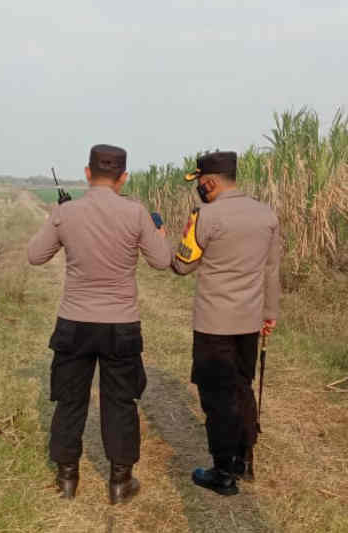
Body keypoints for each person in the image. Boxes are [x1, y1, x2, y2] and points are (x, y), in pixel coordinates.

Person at [27, 144, 171, 504]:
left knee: (70, 401)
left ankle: (66, 479)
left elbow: (35, 256)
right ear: (123, 177)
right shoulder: (136, 214)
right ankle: (120, 484)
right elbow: (162, 260)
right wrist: (160, 234)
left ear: (88, 173)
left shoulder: (67, 213)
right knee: (121, 401)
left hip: (74, 324)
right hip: (120, 325)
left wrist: (58, 219)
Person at [171, 151, 281, 496]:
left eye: (200, 182)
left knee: (217, 397)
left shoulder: (205, 215)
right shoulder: (267, 215)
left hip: (213, 325)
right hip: (249, 323)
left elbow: (182, 265)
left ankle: (222, 471)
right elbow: (271, 271)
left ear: (210, 182)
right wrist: (269, 314)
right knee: (242, 387)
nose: (199, 189)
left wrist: (165, 236)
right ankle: (245, 459)